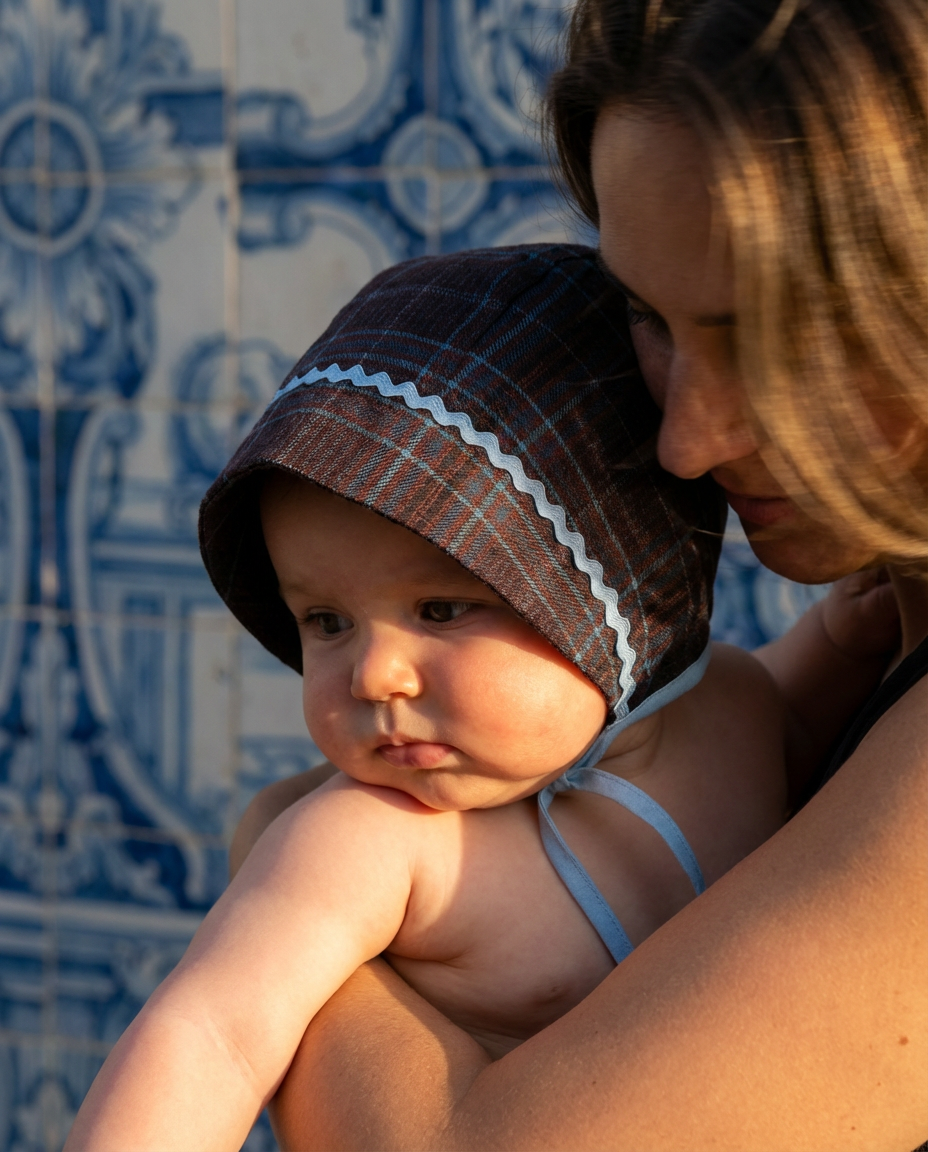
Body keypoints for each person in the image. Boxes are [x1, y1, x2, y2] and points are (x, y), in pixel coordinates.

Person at [228, 2, 928, 1150]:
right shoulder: (865, 643)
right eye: (650, 320)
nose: (685, 441)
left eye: (770, 334)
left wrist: (300, 884)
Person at [65, 247, 895, 1151]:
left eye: (442, 609)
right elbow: (213, 1038)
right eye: (327, 620)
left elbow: (811, 723)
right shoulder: (368, 841)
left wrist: (854, 627)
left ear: (610, 593)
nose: (374, 675)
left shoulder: (733, 706)